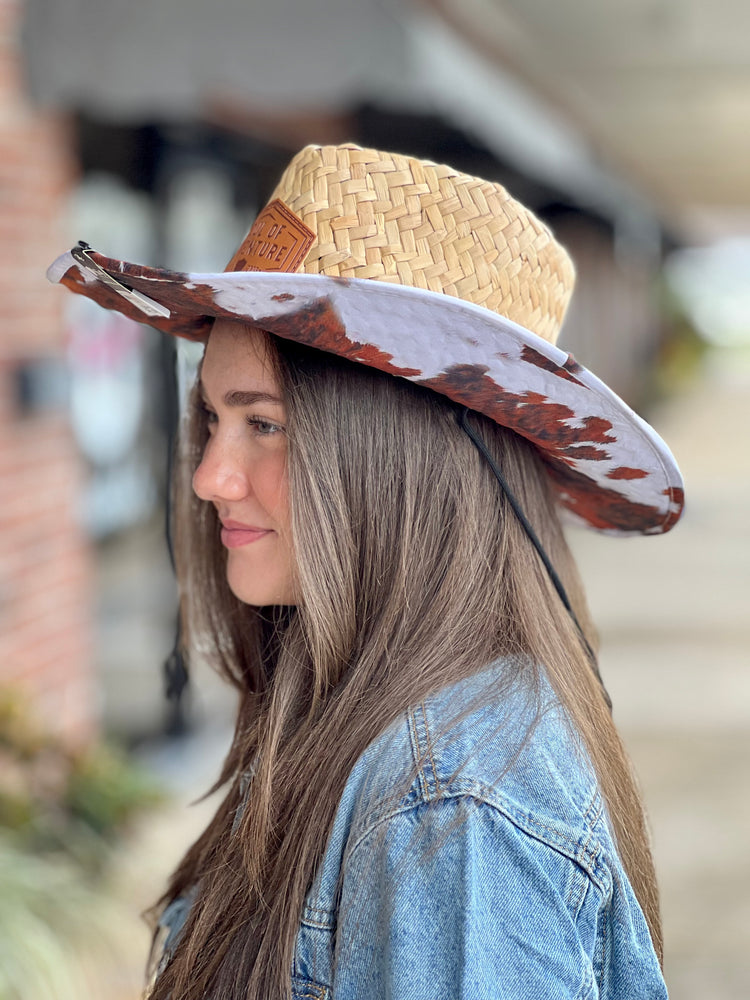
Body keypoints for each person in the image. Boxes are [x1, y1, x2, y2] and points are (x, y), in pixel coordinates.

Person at [48, 143, 683, 1000]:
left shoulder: (455, 809)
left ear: (392, 460)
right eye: (213, 421)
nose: (208, 477)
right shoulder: (357, 701)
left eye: (264, 424)